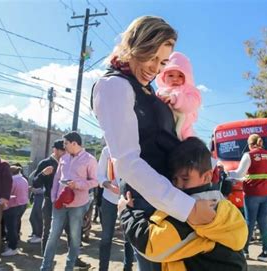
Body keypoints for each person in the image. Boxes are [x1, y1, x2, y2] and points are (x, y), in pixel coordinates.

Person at [92, 15, 216, 270]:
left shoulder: (147, 89)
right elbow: (126, 161)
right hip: (155, 206)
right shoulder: (113, 85)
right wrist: (189, 208)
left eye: (162, 62)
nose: (155, 68)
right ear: (136, 46)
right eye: (151, 57)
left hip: (172, 198)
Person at [121, 137, 247, 271]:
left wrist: (125, 212)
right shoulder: (220, 202)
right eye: (175, 179)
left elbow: (151, 245)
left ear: (207, 176)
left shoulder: (190, 212)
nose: (179, 185)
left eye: (185, 178)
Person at [40, 131, 98, 271]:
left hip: (78, 205)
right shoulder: (64, 158)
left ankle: (69, 267)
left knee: (74, 237)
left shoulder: (89, 159)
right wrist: (54, 198)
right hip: (60, 203)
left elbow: (95, 182)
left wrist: (77, 185)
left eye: (65, 143)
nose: (63, 146)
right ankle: (45, 267)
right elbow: (56, 179)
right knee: (53, 235)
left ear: (74, 143)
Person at [226, 134, 267, 262]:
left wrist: (227, 173)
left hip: (253, 193)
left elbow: (239, 174)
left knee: (249, 222)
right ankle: (266, 253)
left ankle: (245, 251)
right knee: (263, 222)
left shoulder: (249, 155)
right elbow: (262, 173)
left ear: (250, 144)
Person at [97, 146, 134, 271]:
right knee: (106, 237)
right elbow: (100, 176)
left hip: (128, 200)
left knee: (129, 237)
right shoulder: (107, 151)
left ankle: (127, 267)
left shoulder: (132, 148)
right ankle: (103, 268)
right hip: (109, 199)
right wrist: (110, 186)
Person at [155, 51, 201, 141]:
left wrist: (175, 99)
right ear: (163, 78)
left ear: (186, 77)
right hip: (165, 128)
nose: (175, 79)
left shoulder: (187, 90)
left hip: (184, 130)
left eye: (180, 76)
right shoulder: (160, 92)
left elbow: (193, 103)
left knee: (190, 146)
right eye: (171, 75)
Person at [32, 139, 65, 251]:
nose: (65, 153)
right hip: (50, 201)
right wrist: (43, 174)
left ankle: (74, 259)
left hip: (68, 202)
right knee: (48, 230)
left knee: (71, 231)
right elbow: (35, 183)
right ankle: (46, 257)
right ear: (55, 150)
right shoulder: (45, 163)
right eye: (62, 151)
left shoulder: (68, 163)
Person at [1, 166, 29, 256]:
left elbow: (7, 194)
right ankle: (13, 244)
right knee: (15, 226)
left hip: (12, 206)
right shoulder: (23, 179)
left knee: (10, 228)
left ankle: (12, 247)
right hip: (22, 205)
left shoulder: (12, 181)